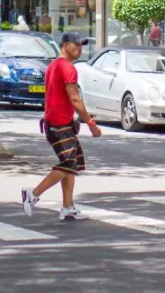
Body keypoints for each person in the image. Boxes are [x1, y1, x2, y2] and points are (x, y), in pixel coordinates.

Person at [22, 32, 102, 220]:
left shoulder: (54, 65)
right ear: (65, 45)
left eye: (82, 45)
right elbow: (75, 98)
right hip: (59, 124)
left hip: (56, 122)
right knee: (67, 164)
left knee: (70, 165)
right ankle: (33, 194)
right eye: (76, 45)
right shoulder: (67, 68)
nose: (80, 48)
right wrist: (91, 123)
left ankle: (68, 207)